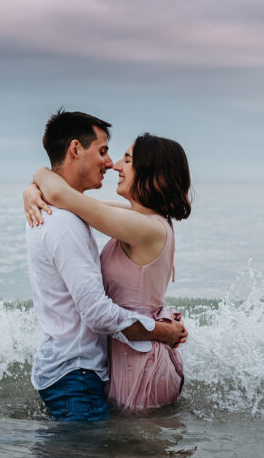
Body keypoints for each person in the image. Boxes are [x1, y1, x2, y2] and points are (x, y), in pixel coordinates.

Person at [25, 110, 188, 422]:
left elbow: (63, 195)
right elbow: (68, 198)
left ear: (151, 170)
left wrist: (37, 180)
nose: (114, 164)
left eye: (126, 159)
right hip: (127, 359)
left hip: (140, 364)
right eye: (108, 153)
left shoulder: (146, 228)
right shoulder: (136, 220)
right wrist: (32, 189)